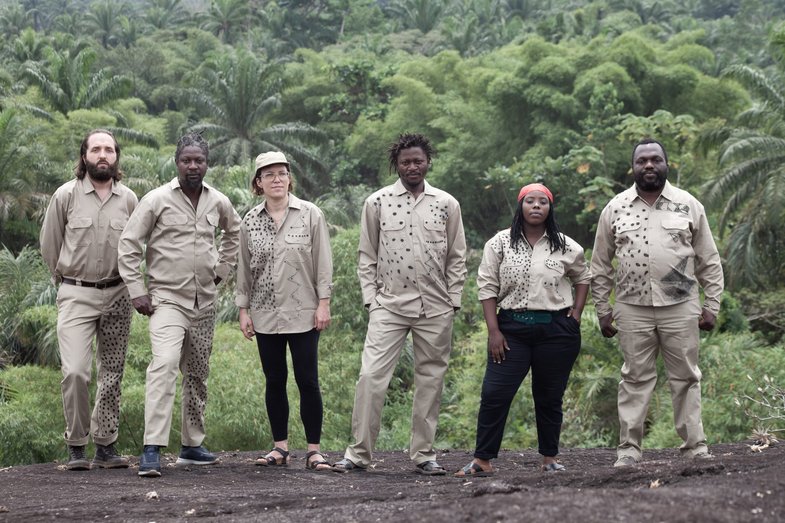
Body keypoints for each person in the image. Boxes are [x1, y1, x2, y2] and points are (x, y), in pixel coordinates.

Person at [334, 133, 467, 475]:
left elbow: (457, 256)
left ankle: (423, 454)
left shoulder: (446, 203)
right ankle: (358, 453)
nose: (412, 167)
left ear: (428, 163)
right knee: (371, 376)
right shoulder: (376, 202)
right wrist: (371, 301)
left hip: (436, 307)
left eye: (418, 161)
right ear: (397, 165)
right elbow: (366, 256)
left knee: (430, 380)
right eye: (406, 162)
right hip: (389, 305)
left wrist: (453, 300)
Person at [591, 138, 724, 467]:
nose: (648, 166)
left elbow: (709, 259)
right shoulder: (616, 207)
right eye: (642, 161)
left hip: (681, 305)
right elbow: (600, 265)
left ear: (667, 164)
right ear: (633, 167)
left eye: (655, 160)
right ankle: (629, 451)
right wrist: (603, 310)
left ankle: (695, 447)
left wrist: (713, 304)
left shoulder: (688, 205)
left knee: (686, 377)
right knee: (635, 378)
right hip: (631, 307)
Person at [118, 133, 241, 477]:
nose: (192, 166)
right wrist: (136, 289)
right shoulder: (157, 199)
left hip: (205, 299)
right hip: (167, 299)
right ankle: (152, 448)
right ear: (177, 162)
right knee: (165, 363)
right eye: (186, 160)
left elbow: (235, 232)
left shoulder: (218, 201)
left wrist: (222, 270)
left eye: (198, 160)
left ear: (206, 164)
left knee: (198, 373)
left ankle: (191, 445)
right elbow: (129, 243)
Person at [454, 183, 590, 477]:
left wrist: (576, 313)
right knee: (495, 393)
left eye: (543, 202)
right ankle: (483, 460)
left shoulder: (566, 245)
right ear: (521, 206)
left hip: (556, 331)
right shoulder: (500, 243)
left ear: (550, 208)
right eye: (531, 201)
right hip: (511, 329)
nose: (537, 206)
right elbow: (487, 286)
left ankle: (550, 458)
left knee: (550, 395)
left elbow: (583, 277)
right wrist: (494, 331)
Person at [40, 129, 138, 471]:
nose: (103, 155)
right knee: (76, 372)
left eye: (109, 150)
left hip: (118, 294)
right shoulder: (65, 195)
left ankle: (106, 445)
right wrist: (67, 282)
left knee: (112, 372)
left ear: (116, 158)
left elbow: (136, 247)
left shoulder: (129, 199)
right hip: (76, 293)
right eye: (96, 149)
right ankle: (76, 445)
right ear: (84, 156)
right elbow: (50, 245)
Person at [236, 151, 334, 471]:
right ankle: (279, 448)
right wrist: (243, 310)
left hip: (304, 311)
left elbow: (323, 261)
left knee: (308, 380)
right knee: (274, 380)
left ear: (290, 178)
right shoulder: (250, 220)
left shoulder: (310, 214)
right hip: (265, 312)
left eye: (281, 173)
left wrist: (323, 304)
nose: (276, 179)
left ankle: (314, 450)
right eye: (269, 175)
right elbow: (244, 268)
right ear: (258, 183)